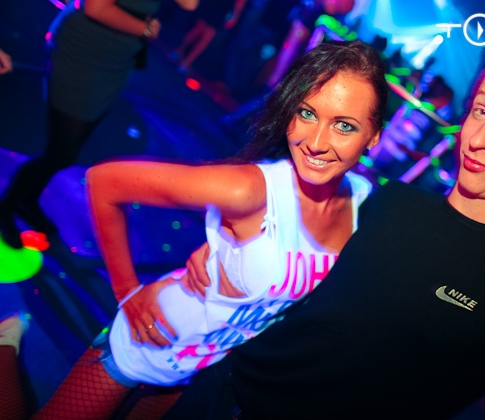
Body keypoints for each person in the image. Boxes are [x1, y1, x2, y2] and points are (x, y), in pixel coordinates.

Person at [168, 38, 485, 419]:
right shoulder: (388, 200)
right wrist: (228, 247)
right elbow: (301, 269)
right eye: (481, 111)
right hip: (218, 393)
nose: (480, 138)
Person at [35, 40, 386, 419]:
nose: (316, 143)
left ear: (373, 135)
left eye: (344, 126)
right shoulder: (249, 190)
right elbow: (105, 182)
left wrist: (220, 250)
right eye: (306, 113)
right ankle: (8, 342)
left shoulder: (361, 201)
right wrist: (126, 291)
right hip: (148, 339)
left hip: (201, 366)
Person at [0, 0, 198, 250]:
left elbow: (189, 4)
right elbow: (96, 8)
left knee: (68, 149)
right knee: (62, 150)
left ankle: (27, 198)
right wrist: (145, 28)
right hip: (83, 52)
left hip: (115, 59)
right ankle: (8, 206)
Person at [171, 0, 248, 73]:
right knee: (208, 35)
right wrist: (235, 17)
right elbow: (240, 2)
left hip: (211, 2)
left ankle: (178, 52)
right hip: (222, 8)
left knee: (198, 28)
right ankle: (186, 63)